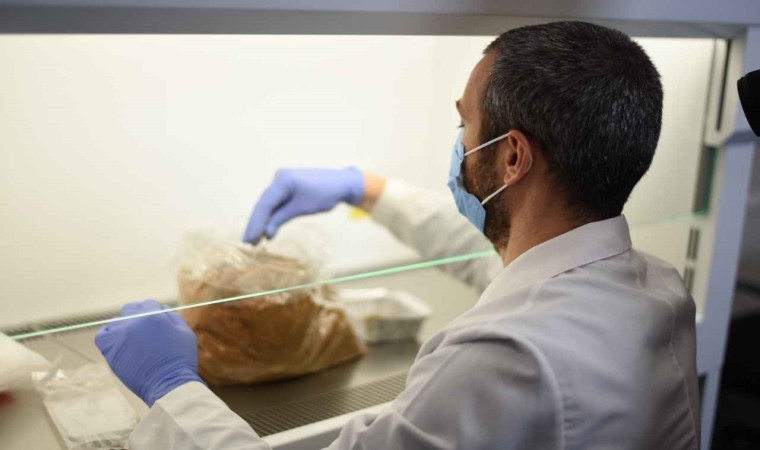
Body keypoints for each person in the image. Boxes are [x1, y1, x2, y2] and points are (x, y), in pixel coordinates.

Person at [95, 21, 700, 449]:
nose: (459, 143)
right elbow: (495, 260)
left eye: (465, 124)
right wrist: (366, 188)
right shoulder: (654, 286)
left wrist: (172, 389)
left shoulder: (501, 358)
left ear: (512, 156)